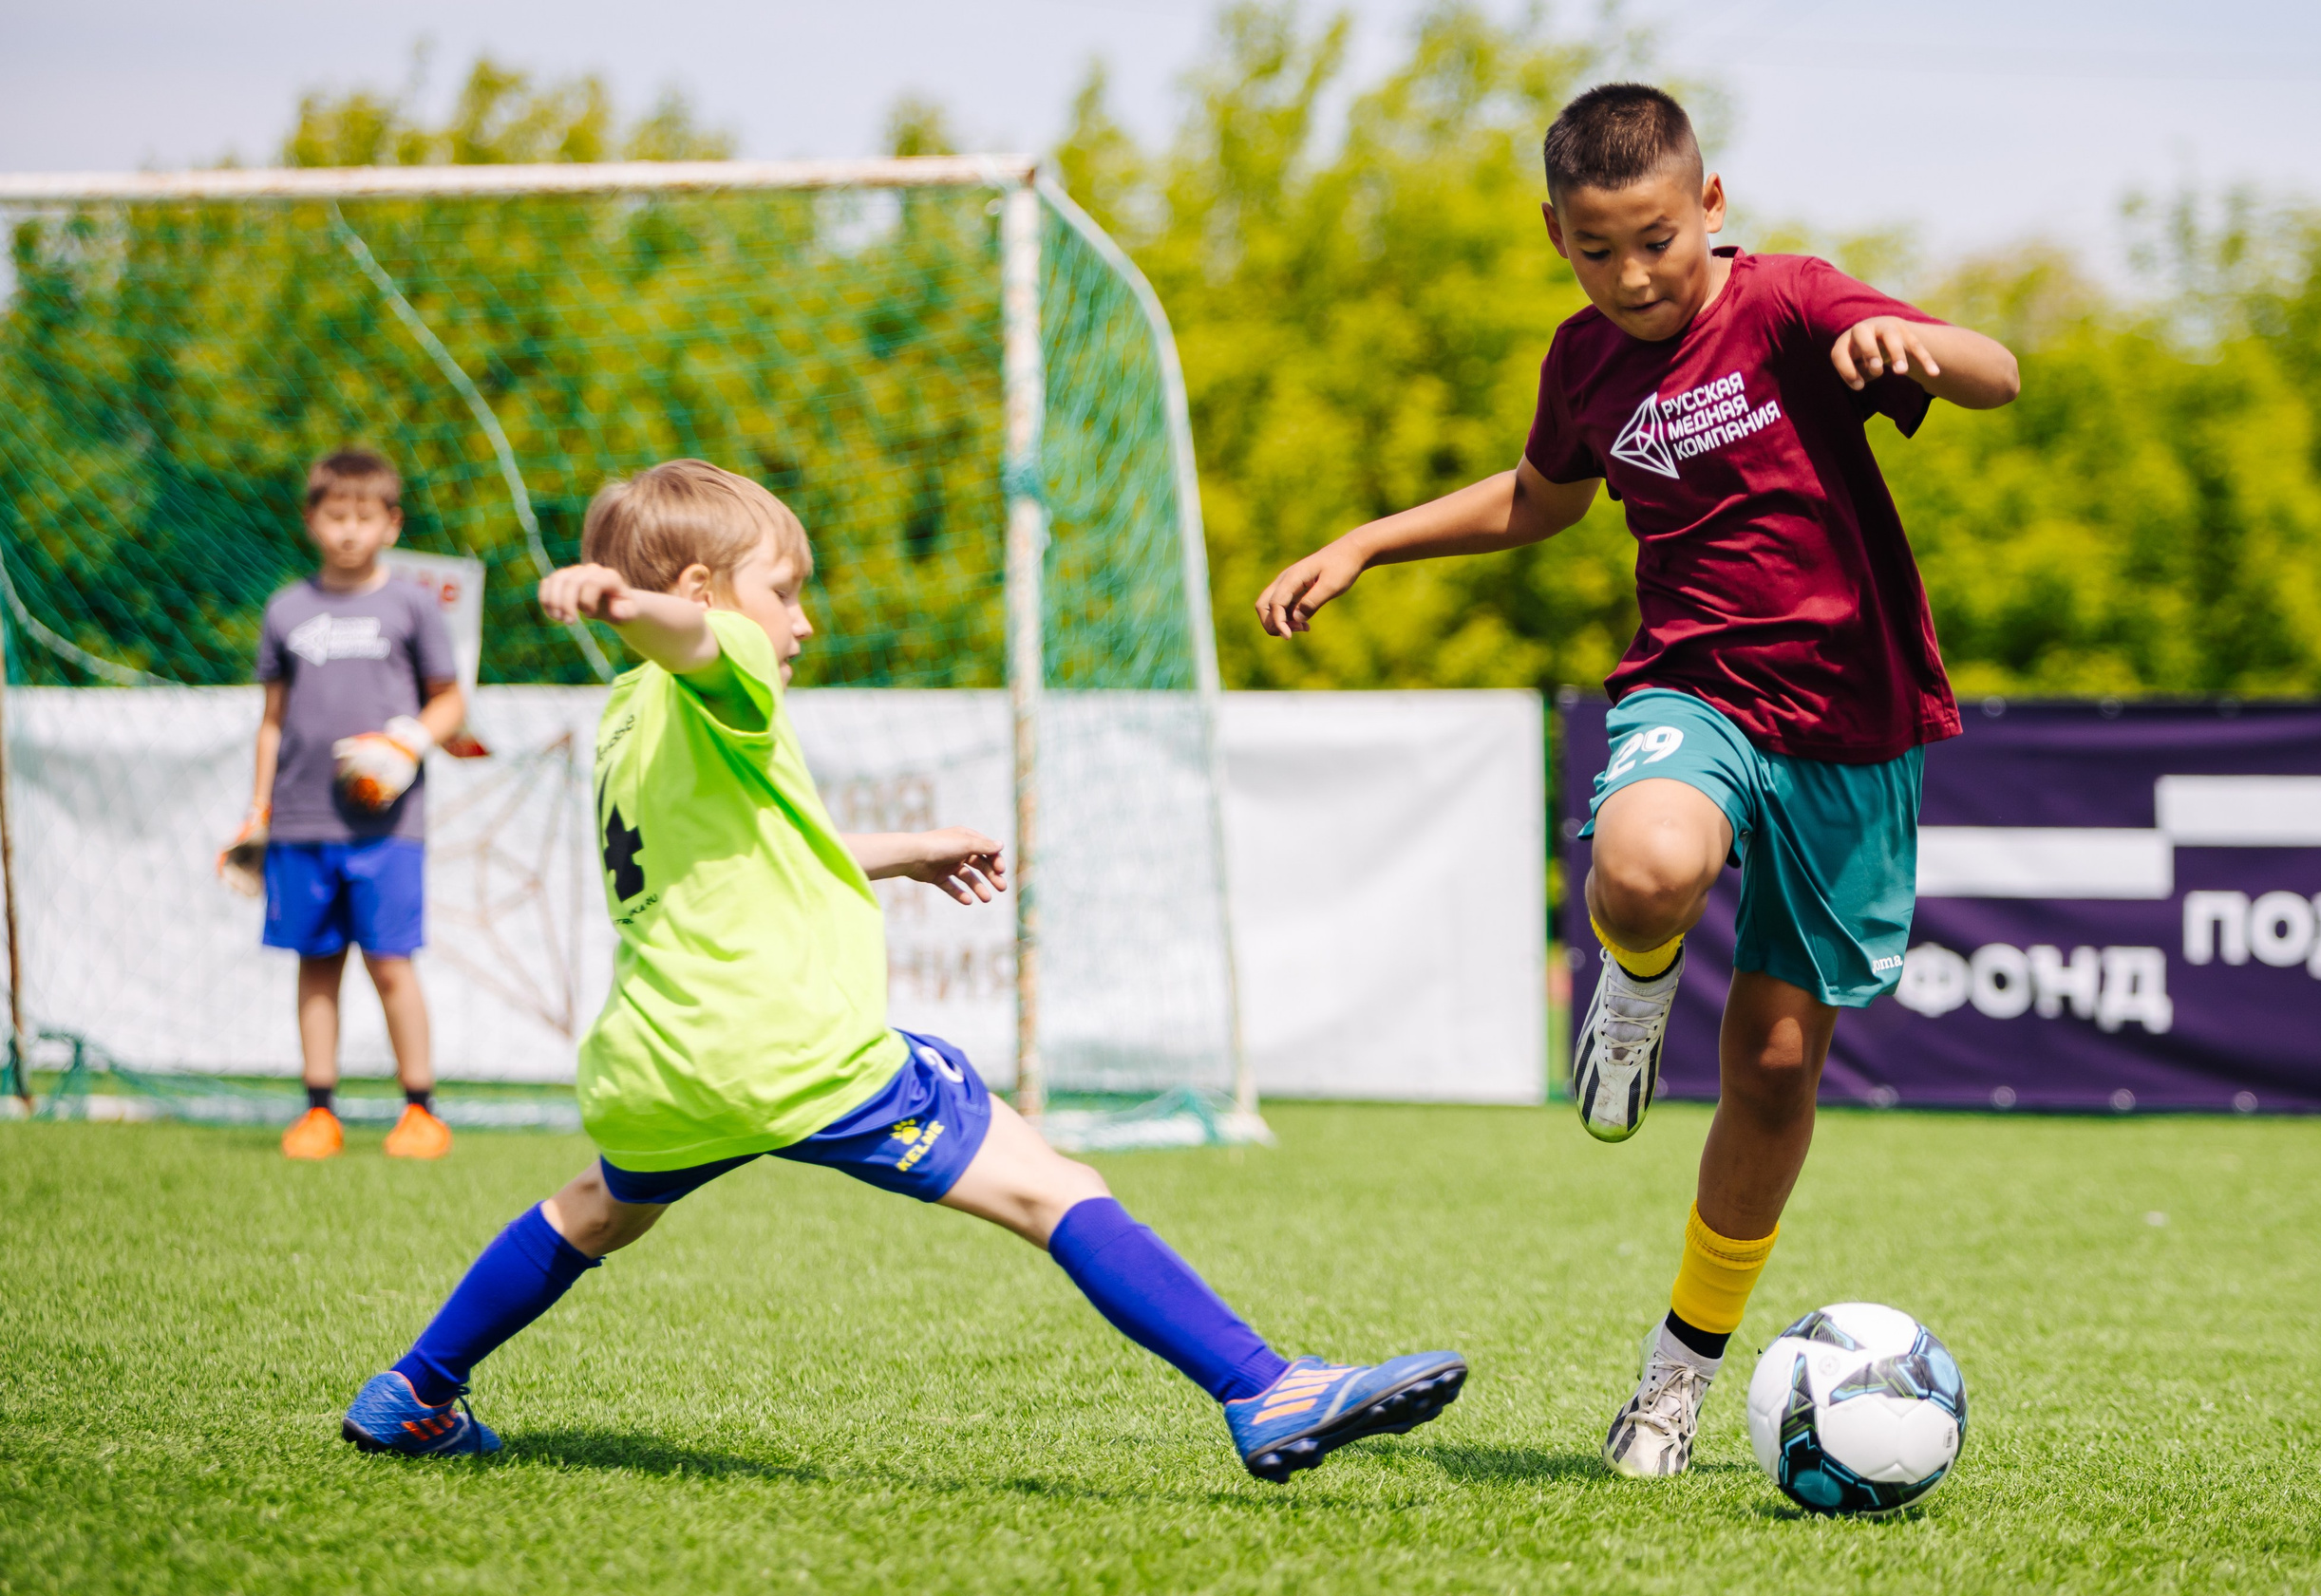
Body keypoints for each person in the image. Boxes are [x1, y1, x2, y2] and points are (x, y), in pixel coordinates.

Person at [339, 459, 1465, 1480]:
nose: (802, 620)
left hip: (657, 1059)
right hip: (787, 1045)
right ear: (706, 586)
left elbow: (757, 849)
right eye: (784, 590)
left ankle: (414, 1391)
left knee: (592, 1210)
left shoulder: (627, 716)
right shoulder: (713, 658)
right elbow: (694, 635)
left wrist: (901, 852)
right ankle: (1264, 1387)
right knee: (1050, 1181)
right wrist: (625, 602)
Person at [1253, 84, 2019, 1478]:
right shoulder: (1585, 360)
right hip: (1697, 687)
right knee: (1647, 864)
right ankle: (1637, 978)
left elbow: (1996, 372)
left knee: (1779, 1072)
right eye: (1597, 249)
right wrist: (1368, 539)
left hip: (1853, 731)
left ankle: (1674, 1381)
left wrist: (1925, 343)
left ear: (1710, 207)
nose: (1633, 274)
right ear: (1556, 232)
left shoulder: (1789, 302)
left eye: (1657, 239)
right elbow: (1543, 499)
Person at [231, 447, 463, 1161]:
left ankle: (420, 1110)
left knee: (392, 961)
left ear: (392, 524)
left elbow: (450, 700)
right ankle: (319, 1112)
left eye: (365, 517)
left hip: (387, 825)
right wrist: (259, 810)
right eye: (336, 516)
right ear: (311, 520)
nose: (349, 531)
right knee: (317, 961)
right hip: (301, 820)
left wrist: (408, 743)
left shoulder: (413, 605)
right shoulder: (286, 610)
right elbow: (272, 719)